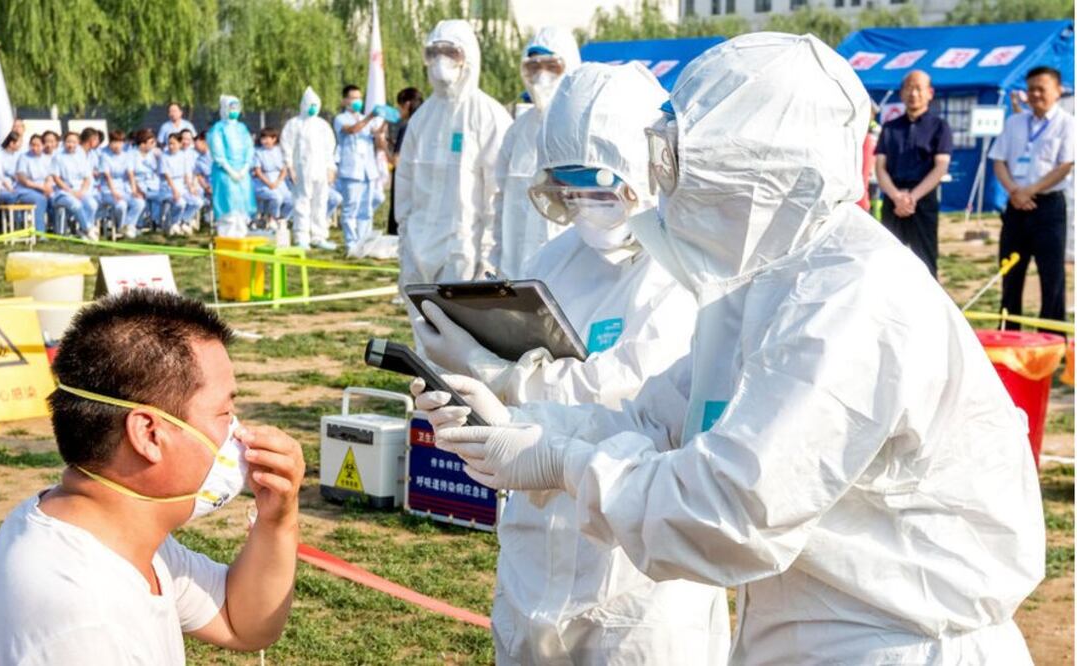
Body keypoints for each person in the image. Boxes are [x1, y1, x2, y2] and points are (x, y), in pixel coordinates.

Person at [414, 33, 1046, 664]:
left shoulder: (853, 299)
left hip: (901, 642)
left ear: (755, 177)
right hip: (814, 624)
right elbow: (659, 418)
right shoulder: (763, 282)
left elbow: (732, 508)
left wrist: (561, 463)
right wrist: (523, 423)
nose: (668, 192)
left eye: (681, 167)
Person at [413, 62, 727, 665]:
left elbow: (634, 398)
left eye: (602, 188)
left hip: (635, 577)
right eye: (570, 189)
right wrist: (472, 378)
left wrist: (505, 377)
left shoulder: (682, 269)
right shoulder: (556, 259)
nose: (586, 205)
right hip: (535, 552)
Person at [0, 290, 304, 664]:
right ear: (149, 434)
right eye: (224, 413)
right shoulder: (85, 623)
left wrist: (277, 521)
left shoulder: (107, 530)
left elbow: (240, 621)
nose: (238, 433)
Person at [395, 20, 512, 336]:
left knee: (459, 339)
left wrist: (488, 258)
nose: (440, 61)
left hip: (463, 249)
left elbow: (497, 193)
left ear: (468, 56)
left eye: (450, 52)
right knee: (423, 338)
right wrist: (405, 245)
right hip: (417, 247)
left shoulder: (489, 115)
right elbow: (404, 184)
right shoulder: (422, 118)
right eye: (433, 53)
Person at [490, 27, 580, 279]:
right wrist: (498, 260)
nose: (542, 75)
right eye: (534, 67)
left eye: (552, 67)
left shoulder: (580, 128)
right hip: (515, 270)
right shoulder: (517, 131)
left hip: (566, 273)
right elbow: (500, 199)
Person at [990, 65, 1075, 328]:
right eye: (1031, 89)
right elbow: (998, 160)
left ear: (1057, 91)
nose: (1035, 94)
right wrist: (1014, 191)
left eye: (1041, 89)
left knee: (1052, 276)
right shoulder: (1015, 123)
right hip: (1016, 205)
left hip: (1048, 206)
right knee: (1010, 272)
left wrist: (1031, 190)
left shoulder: (1067, 123)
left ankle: (1051, 337)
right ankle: (1008, 332)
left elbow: (1065, 166)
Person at [875, 70, 952, 278]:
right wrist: (896, 197)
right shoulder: (890, 128)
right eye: (909, 88)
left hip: (923, 201)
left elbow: (940, 167)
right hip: (893, 201)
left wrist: (913, 197)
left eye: (919, 88)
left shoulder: (939, 127)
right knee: (889, 261)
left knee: (925, 261)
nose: (913, 93)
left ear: (930, 93)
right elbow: (880, 167)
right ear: (901, 93)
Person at [281, 87, 338, 250]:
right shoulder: (294, 124)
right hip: (302, 170)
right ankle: (301, 237)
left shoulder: (323, 125)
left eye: (315, 105)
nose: (312, 108)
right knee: (302, 202)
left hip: (321, 170)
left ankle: (319, 236)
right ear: (303, 104)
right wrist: (289, 166)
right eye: (310, 104)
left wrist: (331, 168)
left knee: (321, 202)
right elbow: (287, 146)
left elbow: (329, 148)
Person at [332, 84, 384, 246]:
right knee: (350, 207)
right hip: (351, 170)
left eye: (359, 98)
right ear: (344, 101)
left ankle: (363, 241)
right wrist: (370, 117)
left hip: (368, 170)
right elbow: (352, 130)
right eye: (353, 98)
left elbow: (377, 138)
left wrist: (385, 121)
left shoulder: (365, 119)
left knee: (366, 208)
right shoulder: (340, 119)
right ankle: (351, 243)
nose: (357, 101)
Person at [208, 95, 256, 235]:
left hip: (242, 173)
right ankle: (227, 235)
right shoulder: (218, 129)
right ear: (224, 109)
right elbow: (217, 152)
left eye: (236, 108)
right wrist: (230, 170)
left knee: (242, 203)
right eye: (231, 108)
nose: (234, 111)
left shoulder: (242, 128)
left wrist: (245, 167)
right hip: (224, 173)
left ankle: (241, 234)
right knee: (228, 203)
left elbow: (249, 148)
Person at [386, 87, 423, 236]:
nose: (398, 111)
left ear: (407, 105)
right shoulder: (425, 124)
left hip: (403, 178)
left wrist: (382, 147)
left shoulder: (408, 127)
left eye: (399, 107)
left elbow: (396, 161)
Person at [52, 131, 101, 242]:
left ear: (78, 143)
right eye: (68, 142)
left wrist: (82, 191)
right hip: (63, 193)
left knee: (92, 204)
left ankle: (84, 231)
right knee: (76, 205)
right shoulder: (58, 157)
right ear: (64, 142)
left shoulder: (81, 157)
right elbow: (56, 178)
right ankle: (88, 229)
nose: (71, 144)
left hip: (80, 191)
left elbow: (87, 178)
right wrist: (70, 191)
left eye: (74, 142)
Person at [98, 130, 143, 239]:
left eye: (120, 142)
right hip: (108, 190)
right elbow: (107, 176)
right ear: (110, 143)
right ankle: (120, 227)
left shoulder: (126, 156)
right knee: (121, 205)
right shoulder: (105, 156)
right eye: (114, 142)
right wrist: (114, 192)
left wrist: (134, 191)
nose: (117, 145)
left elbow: (130, 174)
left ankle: (129, 225)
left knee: (139, 203)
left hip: (124, 189)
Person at [158, 132, 203, 236]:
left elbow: (186, 174)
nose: (171, 146)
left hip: (181, 186)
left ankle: (183, 220)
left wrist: (191, 187)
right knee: (180, 203)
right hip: (168, 187)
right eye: (169, 143)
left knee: (198, 202)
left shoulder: (183, 156)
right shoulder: (164, 156)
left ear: (179, 144)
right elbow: (167, 176)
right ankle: (174, 223)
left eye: (173, 143)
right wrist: (174, 191)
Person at [252, 127, 292, 230]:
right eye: (263, 138)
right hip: (263, 182)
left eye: (267, 138)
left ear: (274, 139)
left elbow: (284, 170)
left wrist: (278, 182)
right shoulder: (258, 152)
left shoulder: (280, 151)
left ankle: (282, 219)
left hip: (279, 182)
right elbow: (258, 171)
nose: (264, 141)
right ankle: (272, 218)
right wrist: (269, 183)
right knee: (276, 197)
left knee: (292, 200)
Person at [14, 134, 53, 233]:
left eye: (38, 145)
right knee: (40, 199)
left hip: (43, 189)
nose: (34, 148)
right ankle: (40, 232)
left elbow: (49, 176)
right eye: (32, 145)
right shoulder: (23, 157)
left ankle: (57, 230)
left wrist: (47, 187)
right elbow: (23, 179)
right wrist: (41, 188)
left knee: (55, 199)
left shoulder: (46, 159)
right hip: (26, 190)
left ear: (43, 145)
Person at [131, 128, 163, 231]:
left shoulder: (153, 154)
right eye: (151, 142)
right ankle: (139, 224)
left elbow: (158, 170)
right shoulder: (132, 155)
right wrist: (137, 189)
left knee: (159, 197)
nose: (154, 145)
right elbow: (131, 174)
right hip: (138, 183)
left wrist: (160, 158)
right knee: (141, 200)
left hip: (152, 182)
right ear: (142, 144)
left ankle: (155, 222)